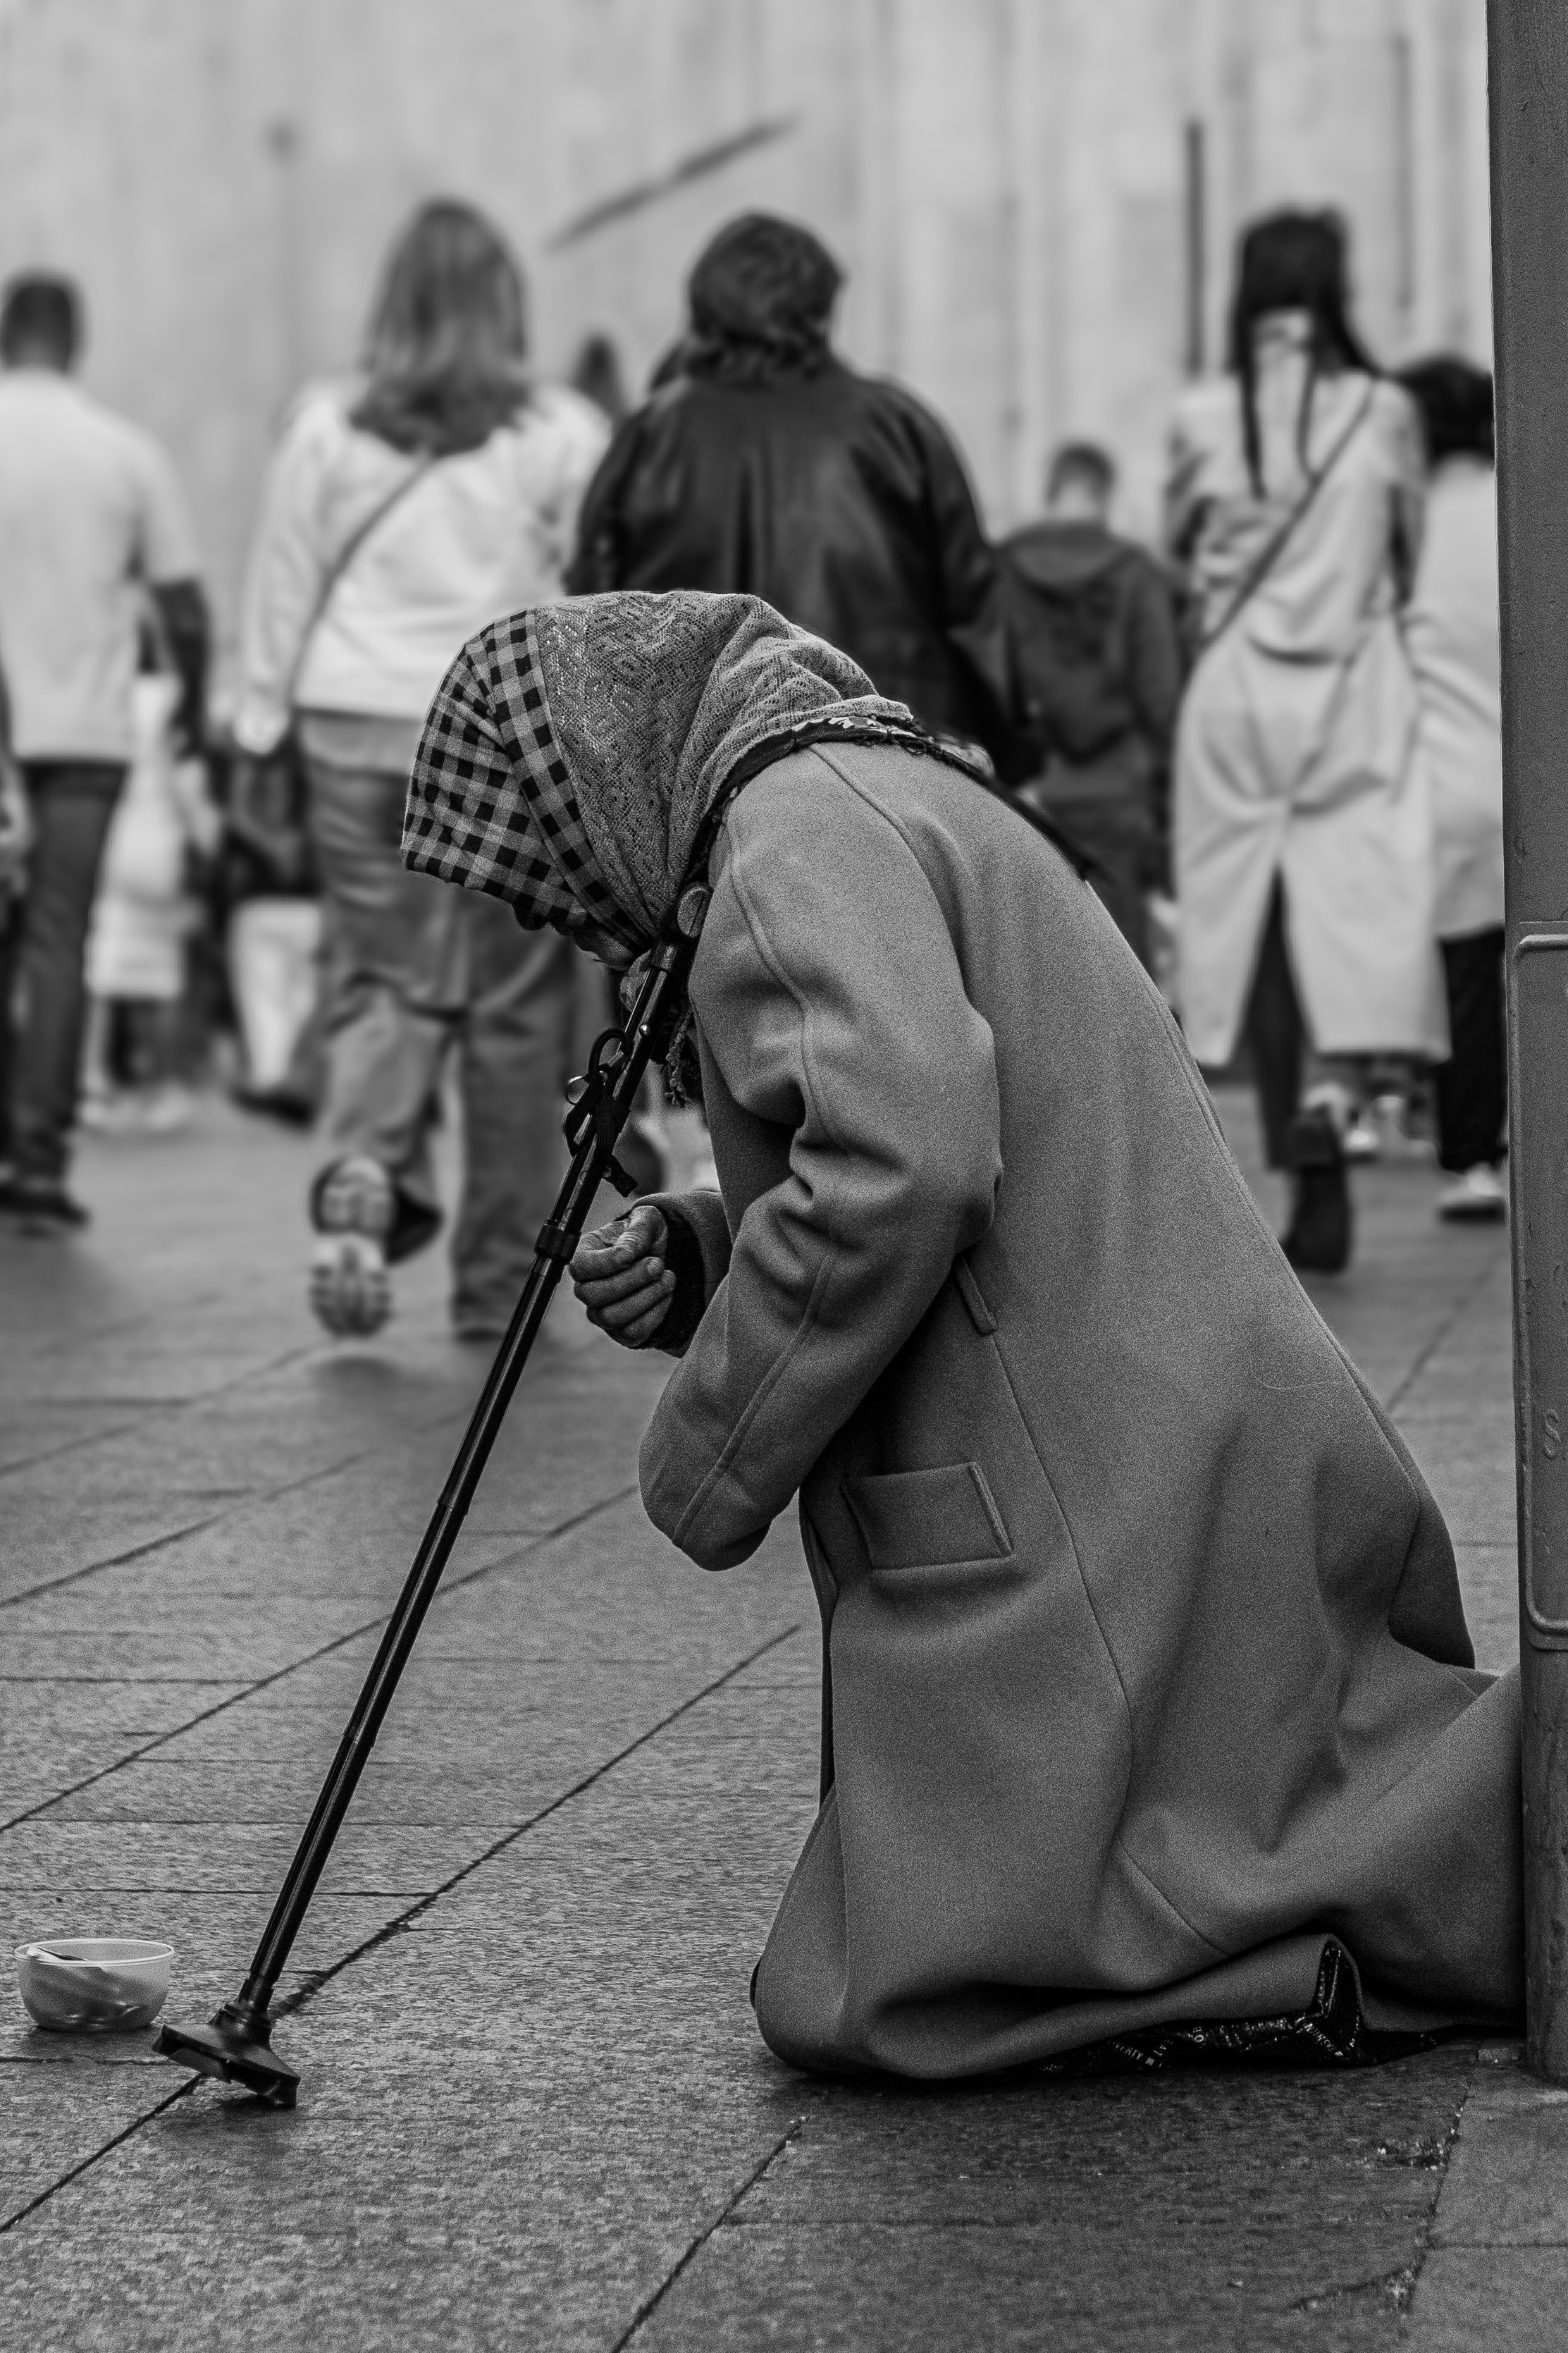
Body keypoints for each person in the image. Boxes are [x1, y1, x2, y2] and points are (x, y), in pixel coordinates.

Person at [405, 586, 1520, 2079]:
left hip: (1092, 1470)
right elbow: (965, 1136)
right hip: (1167, 1410)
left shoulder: (788, 829)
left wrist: (705, 1451)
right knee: (1276, 1813)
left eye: (545, 874)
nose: (561, 913)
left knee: (891, 1986)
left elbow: (903, 1161)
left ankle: (1293, 1960)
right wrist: (702, 1247)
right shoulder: (887, 777)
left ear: (596, 781)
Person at [233, 199, 608, 1340]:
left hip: (346, 725)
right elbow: (587, 606)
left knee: (384, 976)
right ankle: (497, 1282)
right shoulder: (560, 432)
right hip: (493, 733)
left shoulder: (324, 428)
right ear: (506, 306)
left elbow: (281, 584)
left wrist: (256, 734)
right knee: (512, 1009)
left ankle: (364, 1160)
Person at [1168, 211, 1444, 1273]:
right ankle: (1334, 1095)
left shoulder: (1204, 416)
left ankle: (1281, 1144)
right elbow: (1404, 557)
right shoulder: (1383, 413)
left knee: (1261, 931)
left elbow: (1180, 550)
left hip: (1234, 695)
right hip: (1352, 688)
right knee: (1356, 915)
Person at [567, 211, 1016, 767]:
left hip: (698, 781)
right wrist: (1013, 759)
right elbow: (976, 615)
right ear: (823, 308)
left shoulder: (645, 437)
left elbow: (590, 624)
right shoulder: (899, 425)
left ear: (703, 310)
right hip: (886, 767)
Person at [0, 273, 209, 1230]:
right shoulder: (123, 451)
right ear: (73, 341)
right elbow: (182, 603)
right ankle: (37, 1167)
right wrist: (191, 711)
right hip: (82, 735)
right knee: (56, 946)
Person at [1001, 441, 1184, 967]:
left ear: (1051, 490)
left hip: (1022, 800)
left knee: (1030, 977)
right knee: (1124, 975)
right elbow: (1160, 701)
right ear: (1105, 496)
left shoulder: (1000, 571)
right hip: (1116, 798)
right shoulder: (1135, 575)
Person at [1397, 357, 1507, 1224]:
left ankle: (1473, 1155)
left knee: (1462, 976)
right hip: (1532, 765)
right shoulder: (1523, 505)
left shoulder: (1405, 526)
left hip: (1441, 773)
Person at [81, 636, 220, 1135]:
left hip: (105, 841)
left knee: (98, 970)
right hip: (159, 846)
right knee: (161, 978)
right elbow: (189, 781)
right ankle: (162, 1086)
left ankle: (93, 1083)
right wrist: (209, 839)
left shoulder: (101, 691)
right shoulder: (172, 699)